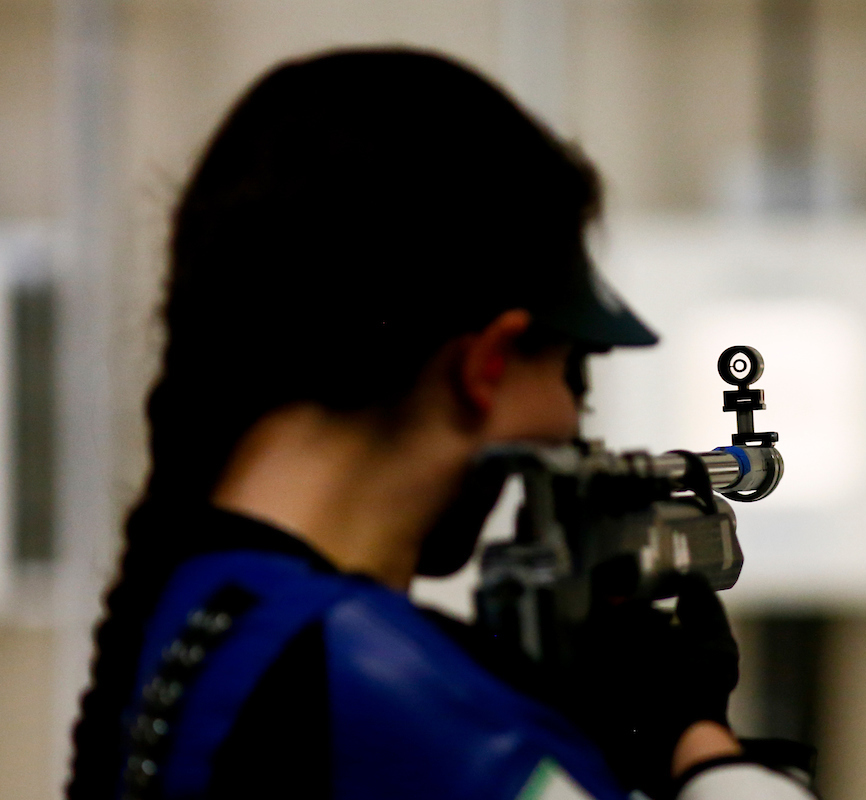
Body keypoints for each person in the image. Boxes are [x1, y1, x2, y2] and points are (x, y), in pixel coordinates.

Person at [67, 49, 816, 800]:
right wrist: (697, 743)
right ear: (487, 364)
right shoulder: (374, 682)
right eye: (569, 372)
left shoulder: (200, 611)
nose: (569, 420)